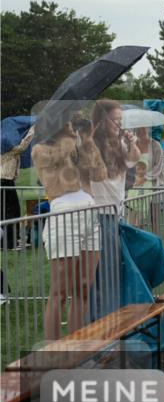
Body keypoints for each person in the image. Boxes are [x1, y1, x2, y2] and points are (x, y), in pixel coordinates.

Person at [31, 117, 107, 339]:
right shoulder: (41, 149)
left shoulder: (77, 146)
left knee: (84, 287)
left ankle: (77, 346)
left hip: (90, 214)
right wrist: (69, 133)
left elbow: (99, 172)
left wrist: (87, 140)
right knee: (60, 292)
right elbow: (59, 157)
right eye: (67, 120)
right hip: (64, 215)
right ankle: (54, 350)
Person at [89, 99, 140, 318]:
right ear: (102, 119)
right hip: (98, 215)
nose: (119, 124)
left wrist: (132, 143)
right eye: (115, 120)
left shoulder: (118, 142)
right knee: (103, 272)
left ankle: (109, 316)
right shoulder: (90, 144)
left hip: (116, 214)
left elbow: (134, 159)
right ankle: (100, 319)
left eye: (121, 120)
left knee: (113, 269)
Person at [1, 125, 33, 249]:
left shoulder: (5, 147)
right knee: (11, 212)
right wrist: (32, 130)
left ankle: (10, 241)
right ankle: (10, 243)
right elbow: (22, 147)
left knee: (8, 212)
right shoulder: (6, 149)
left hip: (6, 181)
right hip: (4, 182)